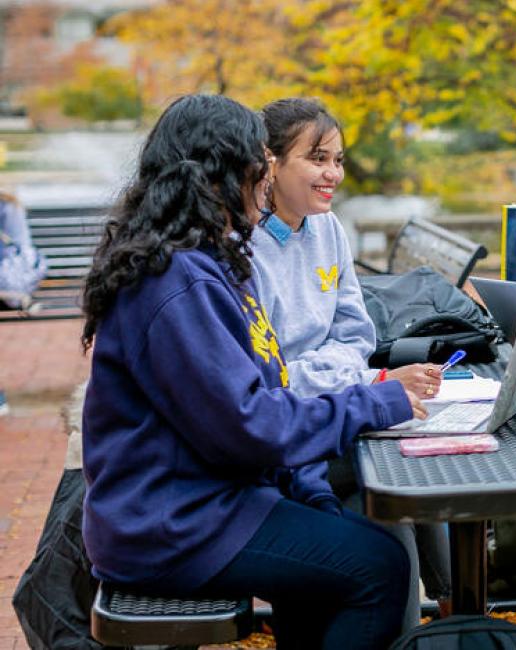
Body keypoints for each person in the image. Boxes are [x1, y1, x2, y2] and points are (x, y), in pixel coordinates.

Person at [80, 94, 424, 649]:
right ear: (218, 174)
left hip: (206, 500)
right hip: (173, 525)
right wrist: (378, 400)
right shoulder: (178, 284)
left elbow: (265, 394)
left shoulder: (207, 262)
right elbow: (250, 426)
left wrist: (307, 489)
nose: (264, 182)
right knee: (378, 568)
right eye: (256, 166)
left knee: (349, 548)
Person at [250, 97, 451, 621]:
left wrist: (350, 373)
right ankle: (431, 617)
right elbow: (271, 380)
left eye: (338, 159)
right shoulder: (241, 247)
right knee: (395, 486)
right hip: (289, 433)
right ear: (269, 162)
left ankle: (460, 607)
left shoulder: (327, 228)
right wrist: (359, 378)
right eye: (317, 158)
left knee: (424, 448)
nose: (332, 173)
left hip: (337, 402)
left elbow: (356, 332)